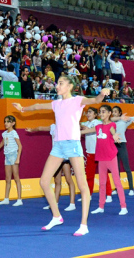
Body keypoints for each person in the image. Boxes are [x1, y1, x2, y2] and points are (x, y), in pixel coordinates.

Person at [13, 77, 110, 236]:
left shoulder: (78, 100)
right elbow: (38, 105)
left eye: (61, 83)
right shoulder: (56, 103)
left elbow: (96, 99)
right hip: (58, 146)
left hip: (72, 145)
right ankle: (57, 216)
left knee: (82, 184)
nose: (57, 86)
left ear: (70, 86)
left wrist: (102, 93)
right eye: (57, 83)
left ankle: (84, 224)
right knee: (44, 181)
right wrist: (23, 109)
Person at [81, 106, 127, 215]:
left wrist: (115, 135)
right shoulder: (98, 127)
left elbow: (112, 131)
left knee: (117, 182)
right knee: (102, 183)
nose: (101, 114)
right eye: (100, 112)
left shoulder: (112, 125)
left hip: (111, 157)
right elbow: (86, 131)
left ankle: (123, 206)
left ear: (109, 113)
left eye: (103, 112)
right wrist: (77, 133)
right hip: (101, 158)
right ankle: (101, 206)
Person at [26, 124, 77, 211]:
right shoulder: (53, 127)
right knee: (57, 181)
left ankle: (72, 203)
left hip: (65, 156)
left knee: (69, 179)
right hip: (56, 156)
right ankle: (55, 203)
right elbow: (40, 127)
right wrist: (32, 130)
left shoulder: (66, 125)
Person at [81, 107, 112, 200]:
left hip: (99, 153)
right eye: (87, 112)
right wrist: (82, 126)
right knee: (89, 175)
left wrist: (85, 129)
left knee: (104, 174)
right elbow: (77, 124)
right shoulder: (85, 123)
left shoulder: (97, 122)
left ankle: (109, 194)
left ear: (95, 114)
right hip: (90, 153)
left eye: (90, 112)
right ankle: (88, 194)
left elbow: (95, 129)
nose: (88, 114)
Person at [0, 115, 23, 206]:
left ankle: (19, 199)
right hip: (7, 156)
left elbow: (20, 146)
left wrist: (18, 158)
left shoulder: (14, 133)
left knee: (16, 177)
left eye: (8, 122)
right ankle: (6, 198)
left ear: (13, 123)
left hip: (13, 155)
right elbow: (3, 142)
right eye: (5, 121)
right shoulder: (4, 133)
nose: (6, 123)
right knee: (7, 178)